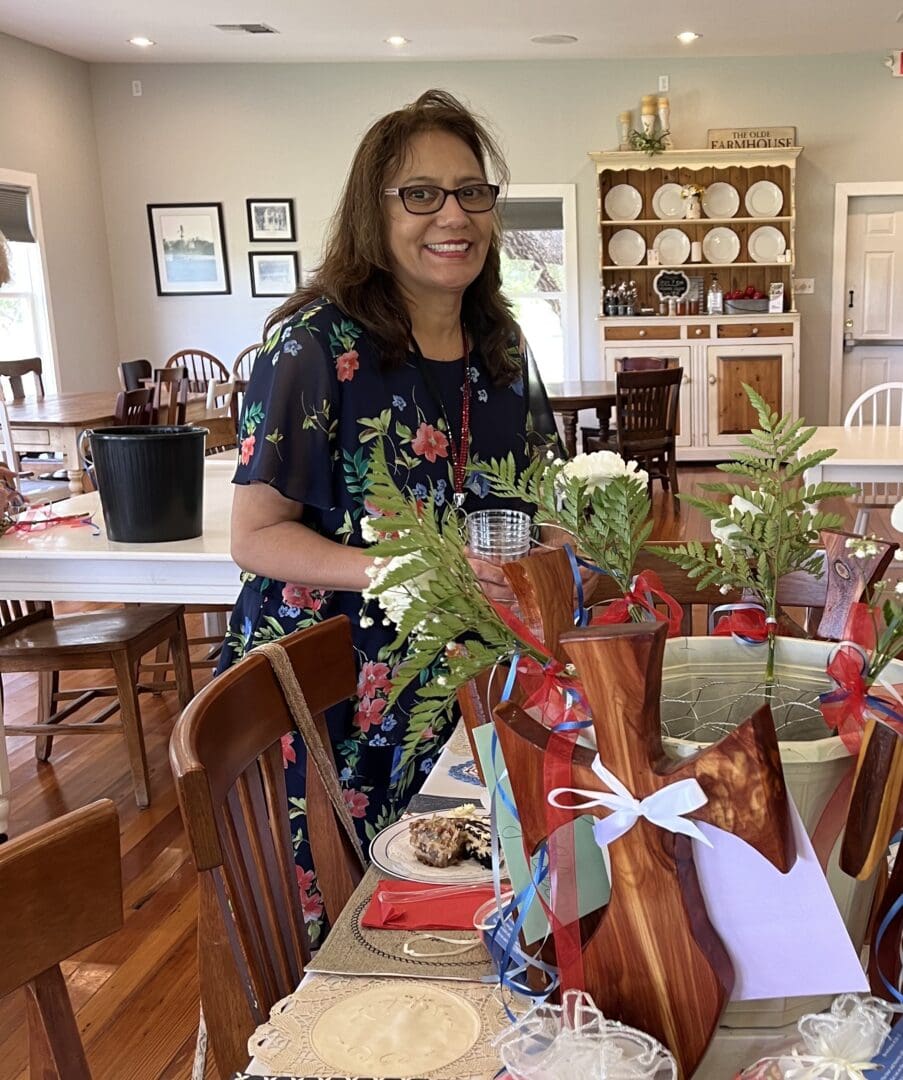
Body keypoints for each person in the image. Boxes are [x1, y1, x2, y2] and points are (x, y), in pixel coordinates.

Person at [220, 88, 559, 942]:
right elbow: (254, 537)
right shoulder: (311, 347)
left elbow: (542, 512)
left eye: (472, 191)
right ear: (374, 212)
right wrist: (411, 573)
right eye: (421, 193)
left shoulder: (504, 350)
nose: (454, 215)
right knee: (339, 927)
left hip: (457, 681)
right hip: (332, 690)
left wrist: (561, 563)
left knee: (461, 905)